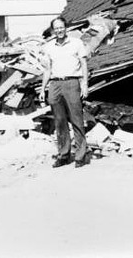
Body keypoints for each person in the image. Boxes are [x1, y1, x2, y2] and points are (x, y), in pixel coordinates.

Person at [39, 17, 90, 168]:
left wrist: (84, 84)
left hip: (72, 82)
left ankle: (81, 155)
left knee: (76, 119)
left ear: (66, 28)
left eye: (62, 27)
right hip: (55, 84)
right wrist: (43, 89)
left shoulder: (76, 43)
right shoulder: (49, 47)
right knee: (59, 121)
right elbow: (47, 70)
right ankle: (64, 154)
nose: (59, 30)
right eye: (56, 28)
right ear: (53, 30)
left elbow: (84, 64)